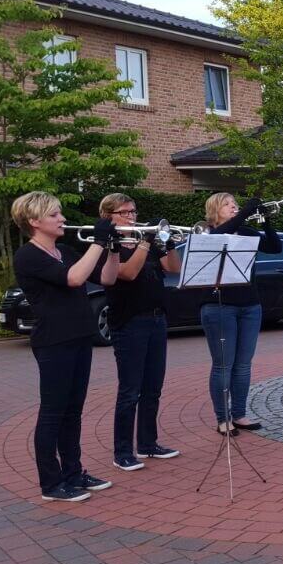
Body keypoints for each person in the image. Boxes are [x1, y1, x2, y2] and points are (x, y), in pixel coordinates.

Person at [11, 191, 119, 502]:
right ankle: (51, 483)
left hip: (79, 337)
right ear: (34, 221)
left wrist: (112, 249)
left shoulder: (66, 251)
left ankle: (74, 472)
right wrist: (97, 242)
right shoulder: (28, 256)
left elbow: (108, 279)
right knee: (53, 412)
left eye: (60, 213)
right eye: (55, 215)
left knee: (73, 411)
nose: (63, 219)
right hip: (53, 342)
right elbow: (73, 279)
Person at [97, 194, 182, 472]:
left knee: (153, 388)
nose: (132, 217)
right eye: (124, 212)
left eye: (133, 211)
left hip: (157, 319)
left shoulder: (144, 241)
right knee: (130, 390)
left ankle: (148, 443)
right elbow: (128, 274)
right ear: (109, 216)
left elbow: (173, 268)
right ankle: (122, 452)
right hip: (129, 322)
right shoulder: (108, 246)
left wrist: (167, 241)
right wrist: (146, 241)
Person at [202, 192, 283, 434]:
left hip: (250, 304)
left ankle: (239, 414)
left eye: (235, 204)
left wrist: (266, 221)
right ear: (215, 210)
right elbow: (222, 235)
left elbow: (274, 247)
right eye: (228, 205)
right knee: (223, 365)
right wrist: (247, 211)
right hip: (219, 305)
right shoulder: (207, 233)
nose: (234, 207)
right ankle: (222, 418)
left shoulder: (246, 232)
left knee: (243, 364)